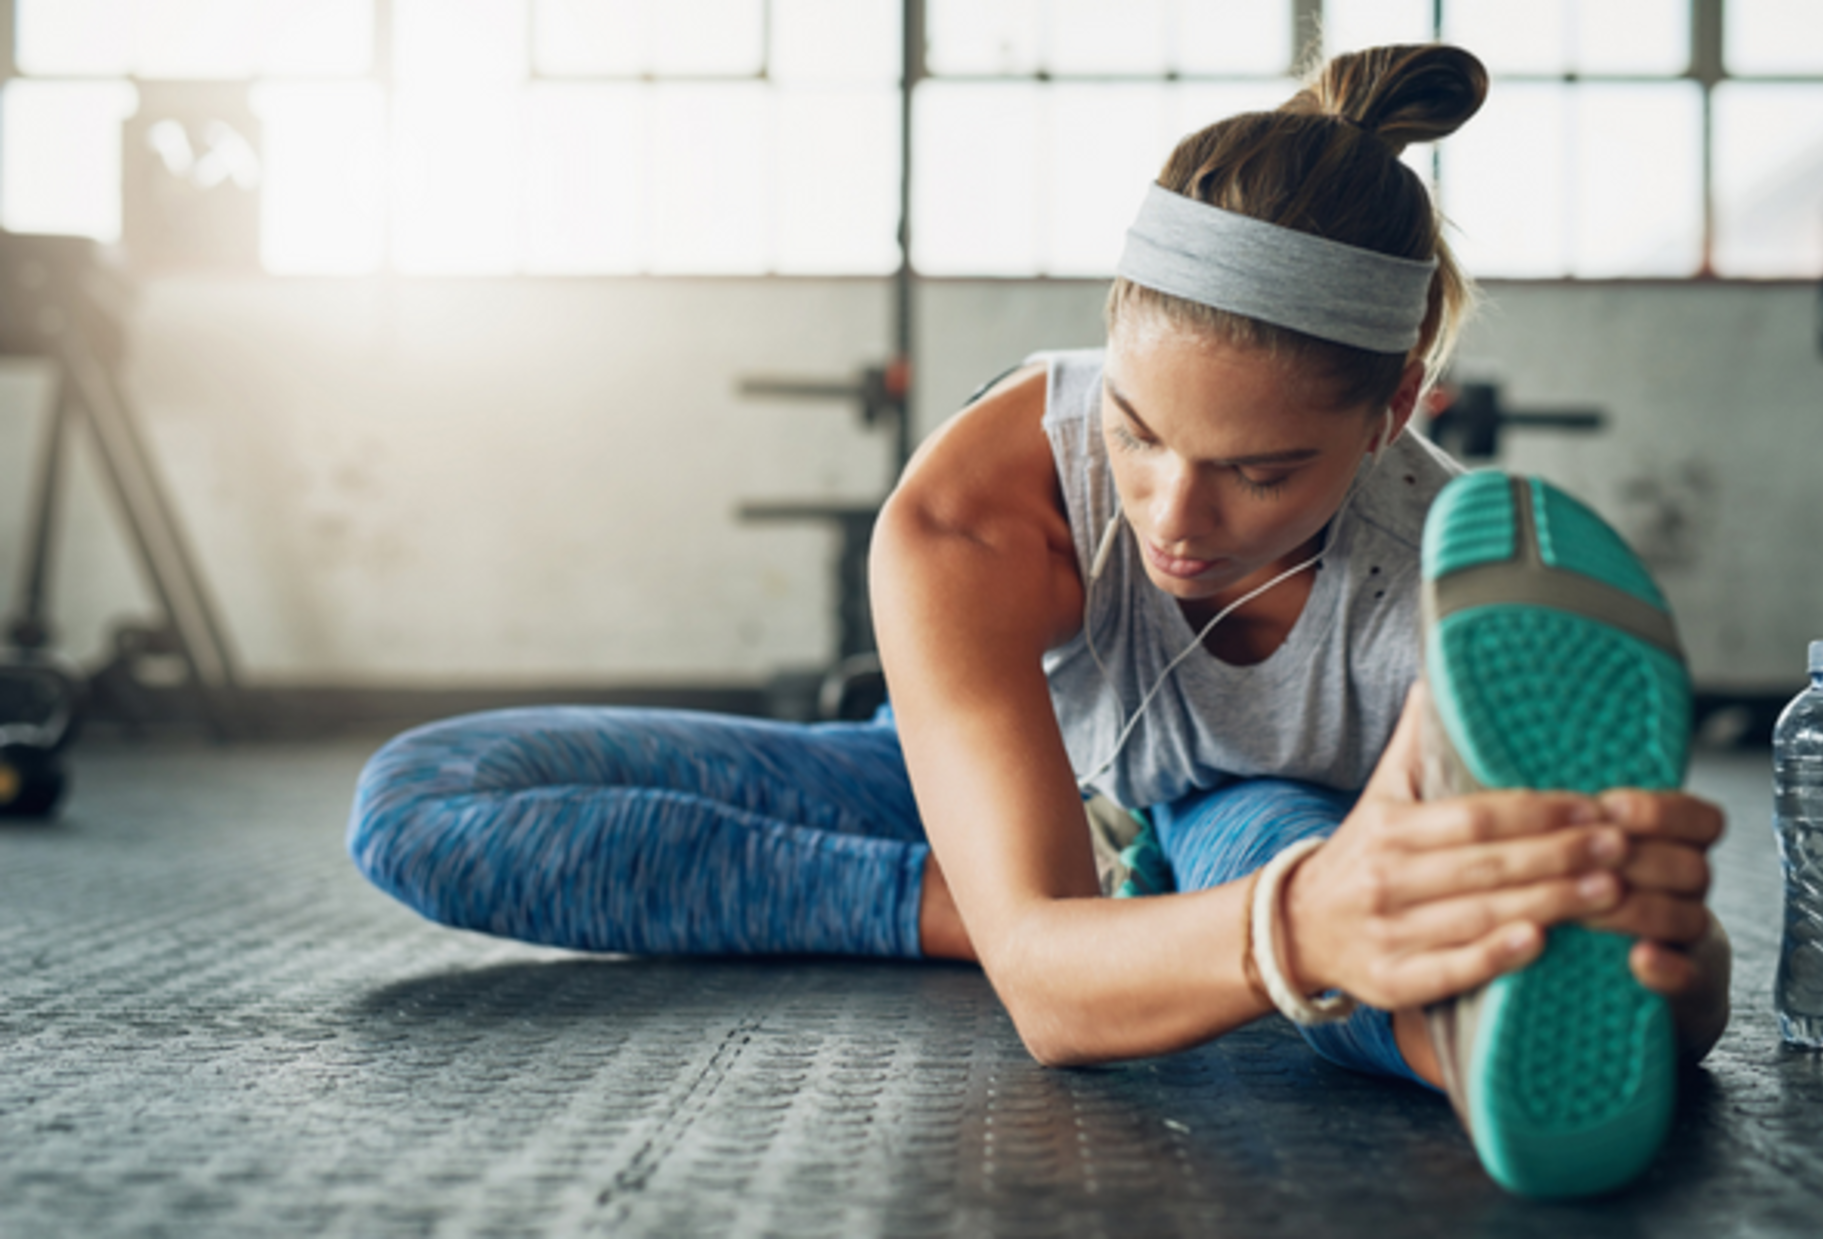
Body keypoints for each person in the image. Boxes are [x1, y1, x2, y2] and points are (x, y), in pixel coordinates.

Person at [346, 44, 1730, 1199]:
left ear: (1395, 402)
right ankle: (1050, 913)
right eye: (1135, 431)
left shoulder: (1445, 585)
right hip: (982, 790)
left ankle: (1443, 1022)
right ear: (1107, 349)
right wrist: (1061, 927)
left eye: (1261, 472)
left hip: (1263, 825)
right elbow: (1055, 1002)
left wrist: (1664, 960)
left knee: (1323, 875)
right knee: (424, 799)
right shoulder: (973, 504)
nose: (1175, 515)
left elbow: (1528, 920)